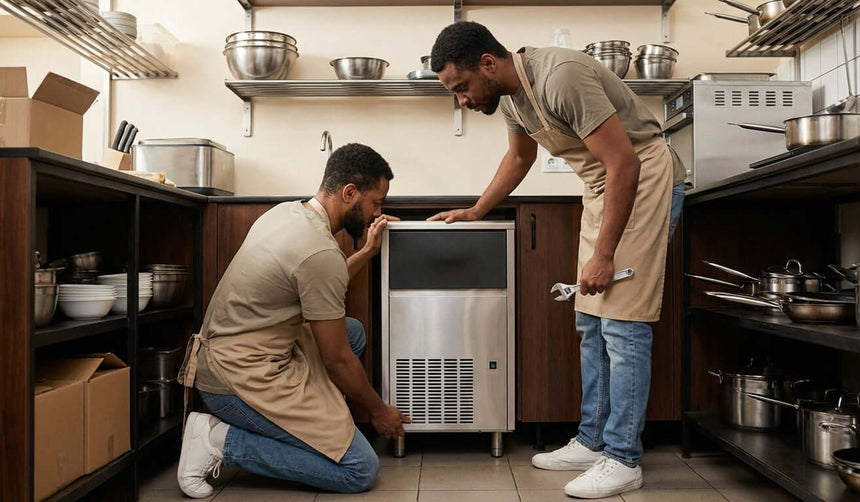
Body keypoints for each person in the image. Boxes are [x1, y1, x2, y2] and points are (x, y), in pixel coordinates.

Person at [427, 22, 685, 499]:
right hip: (602, 187)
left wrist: (605, 255)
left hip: (642, 179)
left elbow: (625, 162)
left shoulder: (559, 76)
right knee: (590, 319)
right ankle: (592, 442)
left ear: (488, 64)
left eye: (461, 88)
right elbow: (519, 159)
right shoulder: (509, 96)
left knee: (623, 324)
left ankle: (623, 458)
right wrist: (478, 209)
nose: (461, 100)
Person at [175, 143, 410, 498]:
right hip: (234, 380)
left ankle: (319, 422)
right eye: (375, 203)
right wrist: (378, 411)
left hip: (237, 349)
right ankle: (216, 439)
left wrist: (366, 252)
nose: (377, 212)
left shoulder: (288, 214)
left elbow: (320, 283)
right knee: (360, 470)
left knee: (352, 332)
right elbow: (336, 359)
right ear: (349, 193)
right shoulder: (320, 252)